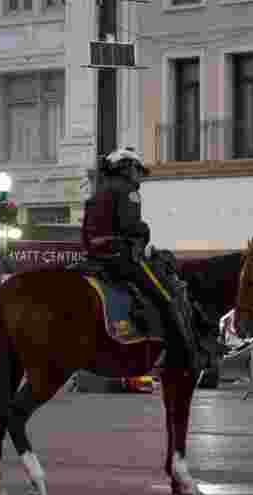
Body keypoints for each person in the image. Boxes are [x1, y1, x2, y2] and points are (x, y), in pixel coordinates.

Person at [81, 148, 206, 378]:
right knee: (167, 298)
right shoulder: (129, 193)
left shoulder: (96, 195)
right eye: (138, 170)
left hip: (94, 260)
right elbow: (130, 226)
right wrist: (144, 229)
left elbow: (85, 235)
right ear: (127, 169)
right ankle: (183, 357)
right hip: (121, 259)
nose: (140, 177)